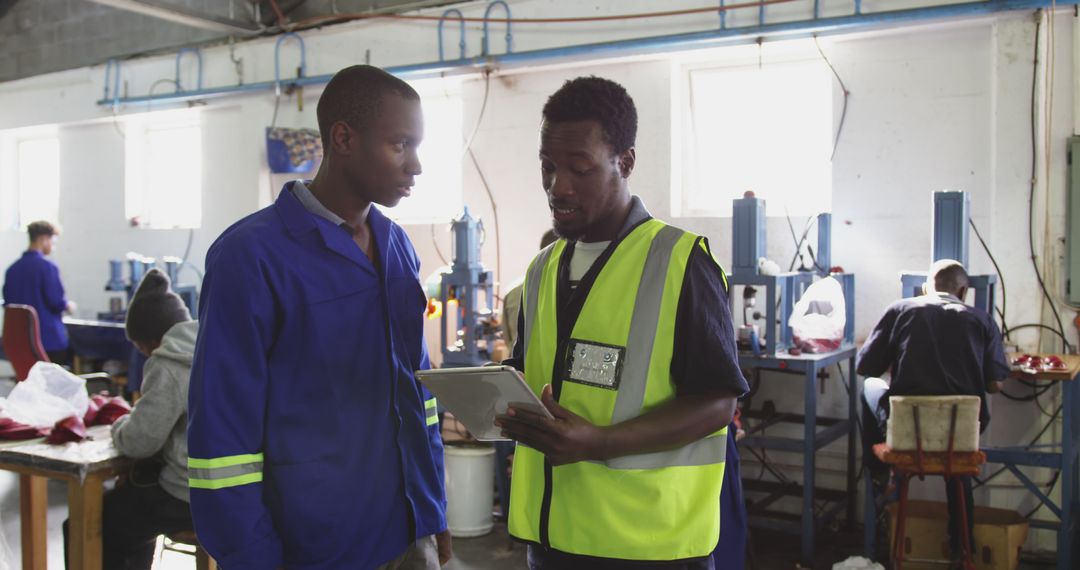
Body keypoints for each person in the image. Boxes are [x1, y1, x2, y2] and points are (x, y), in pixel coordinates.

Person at [187, 65, 449, 570]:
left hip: (407, 533)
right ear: (344, 138)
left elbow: (420, 396)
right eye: (400, 144)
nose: (415, 165)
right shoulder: (252, 257)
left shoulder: (396, 247)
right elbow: (222, 439)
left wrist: (433, 511)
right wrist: (250, 558)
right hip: (312, 549)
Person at [496, 76, 748, 570]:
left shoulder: (679, 261)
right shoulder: (542, 269)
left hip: (648, 546)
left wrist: (602, 442)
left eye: (579, 169)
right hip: (552, 539)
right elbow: (534, 375)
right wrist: (499, 395)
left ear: (625, 162)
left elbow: (718, 401)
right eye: (547, 167)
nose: (557, 186)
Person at [857, 259, 1009, 561]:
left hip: (905, 430)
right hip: (960, 435)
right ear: (963, 290)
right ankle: (962, 548)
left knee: (870, 386)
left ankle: (879, 473)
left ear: (927, 287)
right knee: (957, 462)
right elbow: (994, 385)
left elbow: (866, 367)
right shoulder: (982, 320)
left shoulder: (901, 309)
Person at [64, 268, 196, 569]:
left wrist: (119, 425)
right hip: (237, 489)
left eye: (139, 347)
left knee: (89, 523)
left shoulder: (168, 363)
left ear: (150, 340)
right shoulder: (213, 347)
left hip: (187, 494)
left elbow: (139, 442)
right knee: (132, 508)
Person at [3, 220, 75, 365]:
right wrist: (69, 306)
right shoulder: (47, 267)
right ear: (43, 239)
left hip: (20, 342)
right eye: (53, 243)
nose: (53, 248)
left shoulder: (12, 270)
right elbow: (56, 302)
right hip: (47, 342)